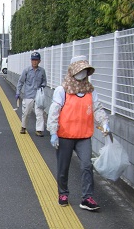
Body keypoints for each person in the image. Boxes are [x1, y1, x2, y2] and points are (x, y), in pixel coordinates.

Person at [47, 55, 110, 211]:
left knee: (87, 165)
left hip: (83, 136)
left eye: (85, 70)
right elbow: (54, 111)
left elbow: (97, 108)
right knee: (63, 167)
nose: (82, 74)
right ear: (72, 71)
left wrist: (104, 123)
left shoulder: (90, 91)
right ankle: (63, 193)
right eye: (80, 70)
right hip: (65, 136)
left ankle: (87, 197)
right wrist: (53, 132)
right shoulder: (62, 90)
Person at [15, 51, 48, 137]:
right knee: (26, 112)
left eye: (36, 60)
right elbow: (20, 82)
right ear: (31, 60)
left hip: (38, 95)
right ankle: (23, 127)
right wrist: (18, 92)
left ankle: (39, 130)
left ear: (39, 61)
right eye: (33, 60)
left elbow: (44, 81)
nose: (34, 62)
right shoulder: (26, 70)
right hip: (28, 95)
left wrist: (42, 86)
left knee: (39, 112)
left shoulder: (42, 71)